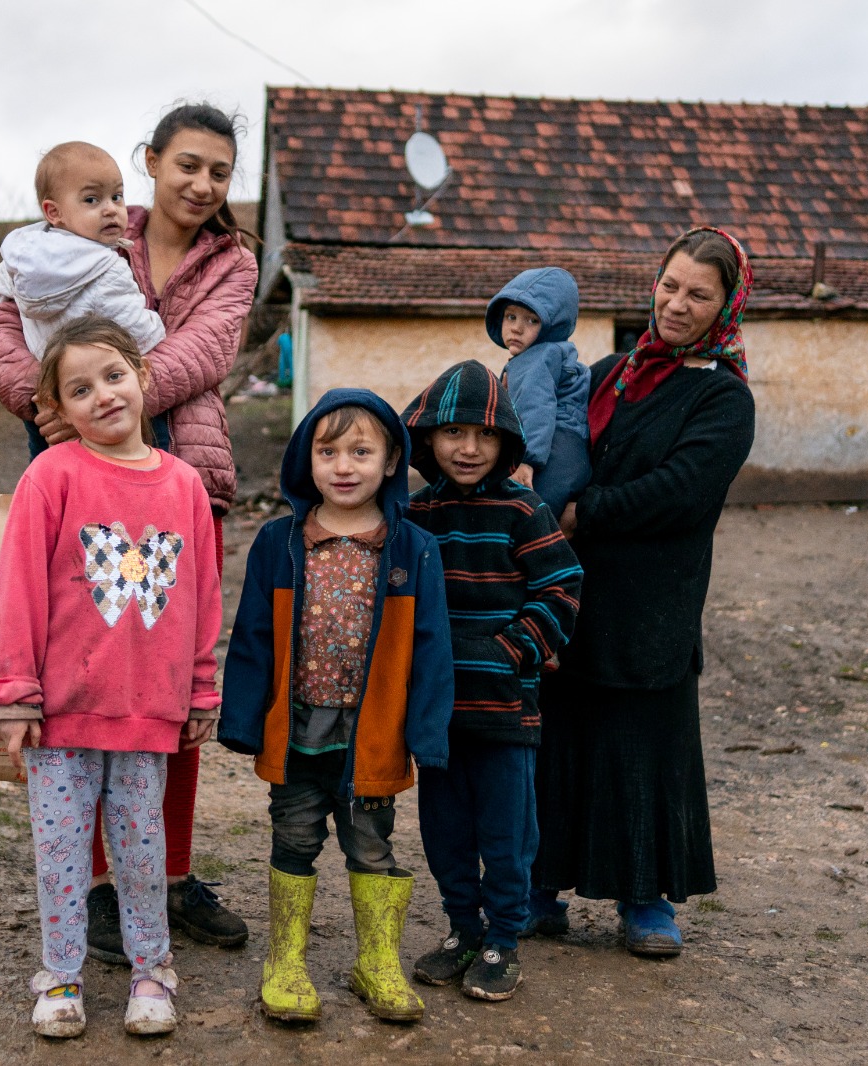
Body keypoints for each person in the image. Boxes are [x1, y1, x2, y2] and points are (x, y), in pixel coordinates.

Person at [0, 103, 257, 961]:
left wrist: (100, 400)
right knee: (81, 673)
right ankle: (99, 886)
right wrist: (45, 400)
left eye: (219, 172)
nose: (202, 185)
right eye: (188, 165)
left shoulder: (233, 261)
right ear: (152, 161)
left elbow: (204, 352)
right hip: (78, 480)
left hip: (181, 478)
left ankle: (168, 876)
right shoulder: (90, 224)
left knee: (169, 685)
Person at [0, 315, 222, 1037]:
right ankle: (61, 976)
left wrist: (201, 688)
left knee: (143, 852)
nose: (104, 396)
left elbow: (202, 595)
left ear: (144, 377)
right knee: (62, 855)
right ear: (56, 408)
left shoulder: (185, 486)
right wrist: (15, 694)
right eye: (80, 389)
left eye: (114, 376)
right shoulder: (51, 476)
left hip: (147, 715)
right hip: (61, 715)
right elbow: (18, 588)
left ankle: (152, 971)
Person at [531, 227, 756, 958]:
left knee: (641, 750)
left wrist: (582, 512)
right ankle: (538, 889)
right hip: (571, 596)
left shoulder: (724, 397)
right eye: (670, 285)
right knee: (559, 744)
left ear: (727, 307)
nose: (677, 304)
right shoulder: (609, 374)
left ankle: (645, 899)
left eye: (700, 295)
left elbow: (681, 492)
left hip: (653, 604)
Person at [219, 389, 454, 1025]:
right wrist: (241, 721)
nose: (343, 466)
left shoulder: (413, 550)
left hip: (372, 735)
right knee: (294, 838)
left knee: (372, 847)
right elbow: (252, 637)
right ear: (306, 459)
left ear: (390, 461)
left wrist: (427, 735)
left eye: (361, 452)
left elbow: (432, 649)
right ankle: (285, 962)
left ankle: (376, 962)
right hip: (298, 732)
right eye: (328, 452)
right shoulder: (279, 542)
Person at [399, 361, 582, 1002]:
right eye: (453, 432)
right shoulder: (416, 513)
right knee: (444, 832)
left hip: (506, 709)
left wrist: (513, 651)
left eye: (484, 434)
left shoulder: (523, 510)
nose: (468, 448)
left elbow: (561, 587)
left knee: (507, 836)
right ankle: (462, 929)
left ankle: (504, 937)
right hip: (436, 713)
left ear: (506, 441)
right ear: (427, 438)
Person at [0, 140, 165, 361]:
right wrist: (158, 323)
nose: (111, 209)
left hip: (49, 367)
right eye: (91, 199)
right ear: (54, 212)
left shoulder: (23, 258)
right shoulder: (106, 270)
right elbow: (141, 336)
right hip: (95, 370)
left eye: (116, 196)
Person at [485, 267, 591, 518]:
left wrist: (527, 460)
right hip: (569, 451)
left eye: (532, 320)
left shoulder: (539, 357)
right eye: (511, 317)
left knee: (530, 518)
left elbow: (536, 406)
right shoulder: (553, 354)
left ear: (553, 325)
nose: (517, 328)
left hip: (551, 449)